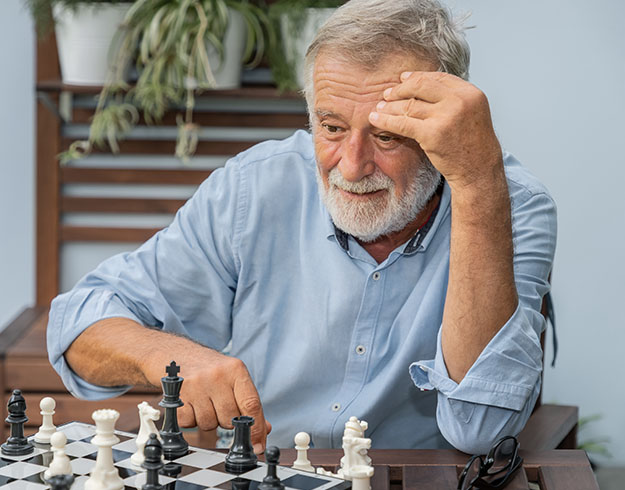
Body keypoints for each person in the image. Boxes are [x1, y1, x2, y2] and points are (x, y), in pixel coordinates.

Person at [47, 0, 556, 455]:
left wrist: (476, 183)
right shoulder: (254, 187)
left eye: (386, 136)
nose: (352, 166)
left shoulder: (508, 201)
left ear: (444, 129)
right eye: (332, 128)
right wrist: (165, 353)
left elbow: (481, 429)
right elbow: (77, 329)